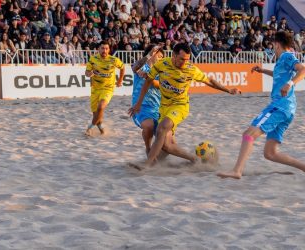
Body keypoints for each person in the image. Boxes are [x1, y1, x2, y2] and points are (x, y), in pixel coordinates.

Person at [129, 43, 241, 169]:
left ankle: (148, 164)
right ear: (174, 56)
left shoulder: (191, 69)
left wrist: (228, 90)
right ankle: (195, 160)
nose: (185, 62)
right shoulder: (162, 64)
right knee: (166, 145)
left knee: (162, 128)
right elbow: (148, 80)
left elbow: (209, 81)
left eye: (187, 59)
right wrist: (138, 104)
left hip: (180, 106)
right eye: (182, 59)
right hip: (163, 108)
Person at [217, 31, 305, 179]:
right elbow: (278, 75)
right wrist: (262, 70)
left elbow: (303, 69)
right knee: (270, 153)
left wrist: (290, 84)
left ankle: (236, 171)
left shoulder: (287, 56)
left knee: (248, 134)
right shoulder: (282, 60)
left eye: (273, 46)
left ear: (277, 44)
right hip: (288, 110)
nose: (272, 49)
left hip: (280, 106)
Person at [85, 40, 125, 136]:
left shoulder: (113, 60)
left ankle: (89, 127)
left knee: (101, 106)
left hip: (108, 88)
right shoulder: (93, 59)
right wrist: (89, 74)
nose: (105, 50)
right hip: (95, 89)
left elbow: (122, 67)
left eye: (107, 48)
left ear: (109, 49)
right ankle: (102, 130)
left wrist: (120, 80)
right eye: (102, 48)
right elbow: (86, 72)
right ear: (98, 49)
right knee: (96, 114)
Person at [130, 45, 164, 154]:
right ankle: (148, 149)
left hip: (158, 109)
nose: (161, 59)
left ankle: (157, 157)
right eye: (159, 56)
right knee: (149, 126)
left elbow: (160, 85)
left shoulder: (162, 72)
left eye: (162, 57)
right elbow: (134, 67)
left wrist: (149, 78)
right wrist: (148, 55)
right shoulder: (142, 68)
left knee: (167, 142)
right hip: (141, 108)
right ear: (152, 55)